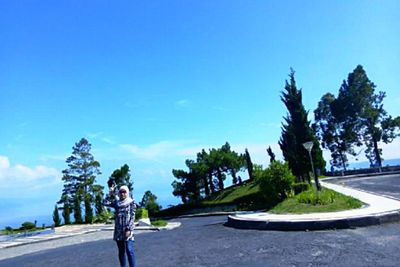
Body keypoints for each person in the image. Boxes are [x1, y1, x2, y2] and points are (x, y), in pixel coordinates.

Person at [104, 184, 136, 267]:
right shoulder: (117, 203)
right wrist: (110, 193)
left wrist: (129, 229)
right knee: (121, 251)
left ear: (127, 192)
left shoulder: (131, 202)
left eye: (124, 192)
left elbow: (132, 216)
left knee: (129, 250)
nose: (122, 194)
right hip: (118, 231)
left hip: (127, 230)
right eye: (121, 192)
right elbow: (104, 203)